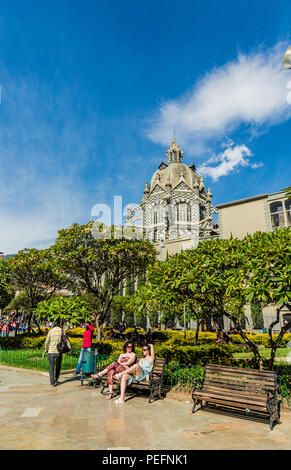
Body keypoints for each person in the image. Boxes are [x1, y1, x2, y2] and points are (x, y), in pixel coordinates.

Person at [44, 322, 71, 387]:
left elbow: (47, 342)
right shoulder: (61, 331)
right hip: (59, 352)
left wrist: (46, 349)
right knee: (58, 367)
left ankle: (52, 382)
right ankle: (55, 379)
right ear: (59, 324)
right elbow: (66, 340)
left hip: (51, 351)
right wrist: (69, 348)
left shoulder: (51, 331)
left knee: (51, 367)